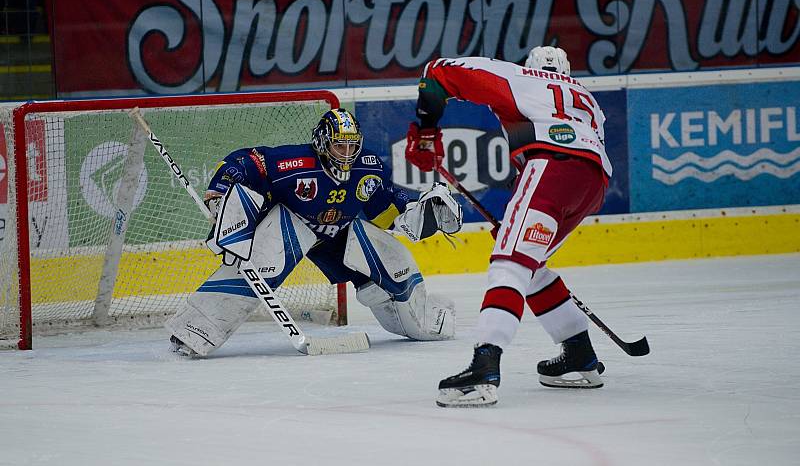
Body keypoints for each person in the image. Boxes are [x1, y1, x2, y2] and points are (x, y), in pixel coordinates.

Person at [404, 46, 611, 407]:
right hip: (592, 183)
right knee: (529, 265)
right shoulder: (588, 100)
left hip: (551, 167)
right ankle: (579, 352)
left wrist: (425, 135)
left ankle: (485, 365)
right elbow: (574, 153)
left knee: (510, 265)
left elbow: (437, 72)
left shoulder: (520, 77)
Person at [167, 108, 462, 357]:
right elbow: (246, 161)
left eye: (351, 146)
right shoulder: (294, 165)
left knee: (395, 265)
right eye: (339, 146)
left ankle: (422, 319)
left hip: (340, 232)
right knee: (261, 263)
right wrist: (220, 192)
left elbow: (385, 210)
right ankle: (194, 330)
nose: (346, 154)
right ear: (323, 143)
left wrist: (422, 213)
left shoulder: (367, 168)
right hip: (293, 224)